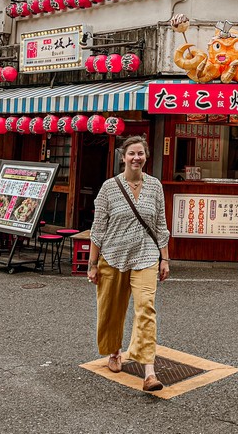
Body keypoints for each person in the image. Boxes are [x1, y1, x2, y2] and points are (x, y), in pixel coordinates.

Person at [87, 135, 170, 392]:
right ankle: (114, 351)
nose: (136, 158)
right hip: (112, 256)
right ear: (123, 157)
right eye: (132, 153)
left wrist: (164, 258)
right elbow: (97, 229)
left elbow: (160, 225)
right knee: (111, 309)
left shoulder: (155, 186)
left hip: (145, 256)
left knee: (146, 307)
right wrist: (92, 264)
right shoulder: (108, 188)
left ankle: (149, 371)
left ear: (146, 157)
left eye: (141, 154)